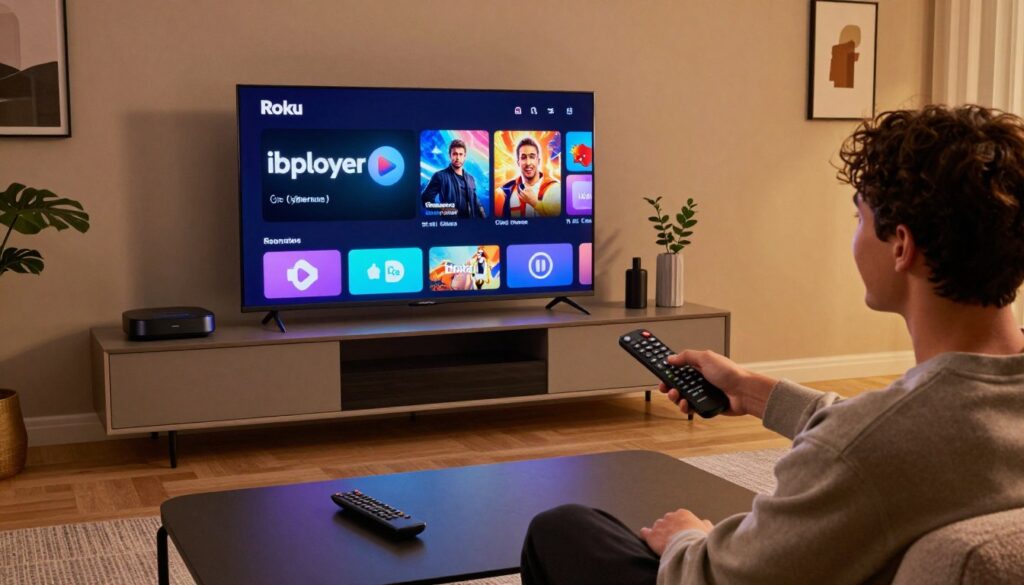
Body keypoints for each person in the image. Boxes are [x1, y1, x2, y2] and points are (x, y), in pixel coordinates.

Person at [521, 104, 1024, 584]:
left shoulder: (866, 451)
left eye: (859, 218)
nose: (855, 235)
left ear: (901, 246)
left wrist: (689, 539)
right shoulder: (921, 427)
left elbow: (712, 578)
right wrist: (751, 389)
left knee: (563, 530)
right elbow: (895, 436)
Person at [421, 139, 486, 218]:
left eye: (461, 154)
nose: (458, 157)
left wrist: (481, 212)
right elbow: (425, 199)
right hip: (451, 225)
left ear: (464, 156)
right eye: (455, 154)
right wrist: (441, 208)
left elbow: (475, 200)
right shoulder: (440, 176)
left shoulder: (470, 178)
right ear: (450, 156)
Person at [497, 137, 561, 217]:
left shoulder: (554, 188)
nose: (528, 163)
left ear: (538, 161)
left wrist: (535, 203)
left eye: (532, 157)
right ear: (518, 163)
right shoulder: (506, 191)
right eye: (523, 157)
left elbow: (559, 224)